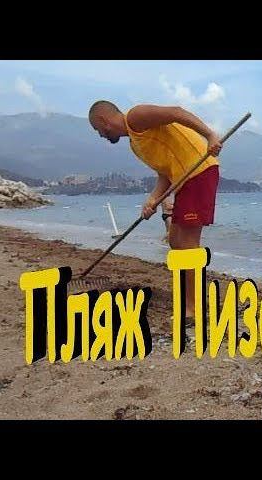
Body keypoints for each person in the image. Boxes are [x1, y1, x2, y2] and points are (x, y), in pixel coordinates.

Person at [89, 101, 222, 322]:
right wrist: (152, 199)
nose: (100, 135)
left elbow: (176, 113)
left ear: (103, 121)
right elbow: (165, 173)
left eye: (97, 129)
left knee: (188, 244)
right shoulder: (135, 143)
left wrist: (210, 135)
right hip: (183, 181)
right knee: (175, 241)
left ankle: (193, 308)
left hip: (199, 172)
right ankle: (187, 299)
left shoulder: (136, 116)